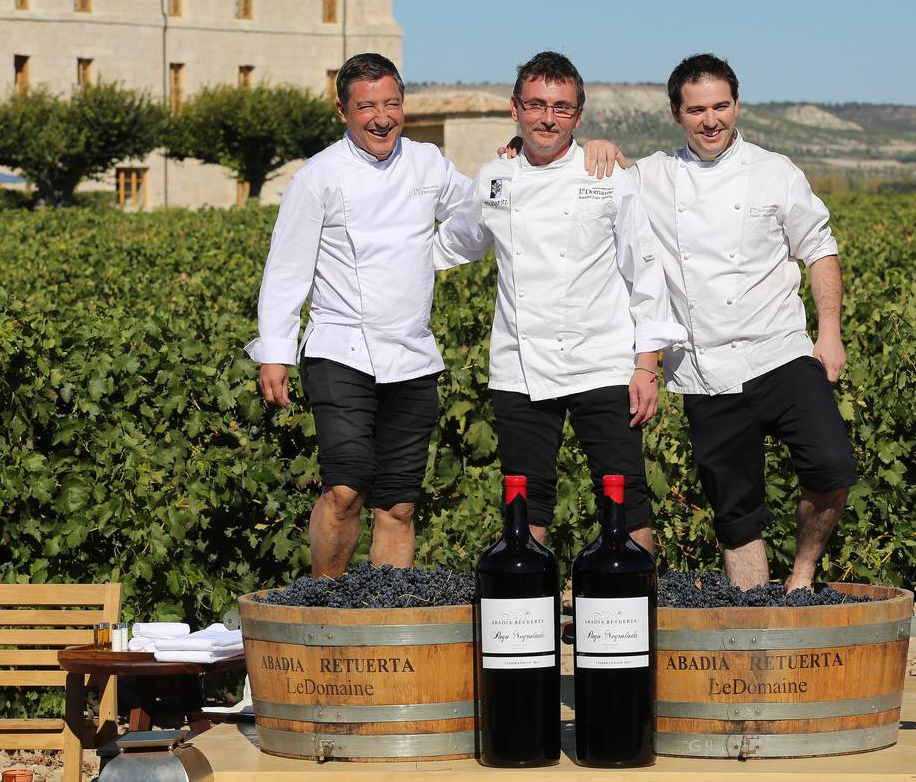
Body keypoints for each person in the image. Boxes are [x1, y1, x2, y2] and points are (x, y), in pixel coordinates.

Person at [509, 54, 856, 591]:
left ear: (737, 105)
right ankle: (754, 623)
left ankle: (802, 578)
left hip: (781, 353)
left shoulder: (775, 172)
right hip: (704, 372)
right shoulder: (651, 176)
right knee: (737, 516)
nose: (710, 120)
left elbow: (819, 249)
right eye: (697, 110)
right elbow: (575, 170)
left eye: (720, 106)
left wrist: (829, 333)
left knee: (832, 467)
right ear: (677, 114)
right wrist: (579, 149)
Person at [434, 51, 685, 551]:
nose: (548, 118)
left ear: (579, 115)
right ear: (515, 109)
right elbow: (452, 244)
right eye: (537, 105)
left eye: (562, 108)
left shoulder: (608, 175)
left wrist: (647, 365)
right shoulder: (493, 178)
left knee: (628, 499)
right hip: (520, 367)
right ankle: (528, 620)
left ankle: (637, 620)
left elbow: (646, 274)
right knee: (526, 501)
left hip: (604, 362)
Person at [245, 53, 473, 577]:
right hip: (340, 349)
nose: (381, 117)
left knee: (398, 504)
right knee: (346, 489)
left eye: (391, 103)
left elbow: (478, 212)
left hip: (413, 355)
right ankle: (326, 602)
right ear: (343, 111)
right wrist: (274, 354)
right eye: (366, 106)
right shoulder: (318, 176)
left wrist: (441, 250)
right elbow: (286, 270)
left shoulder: (428, 163)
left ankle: (384, 619)